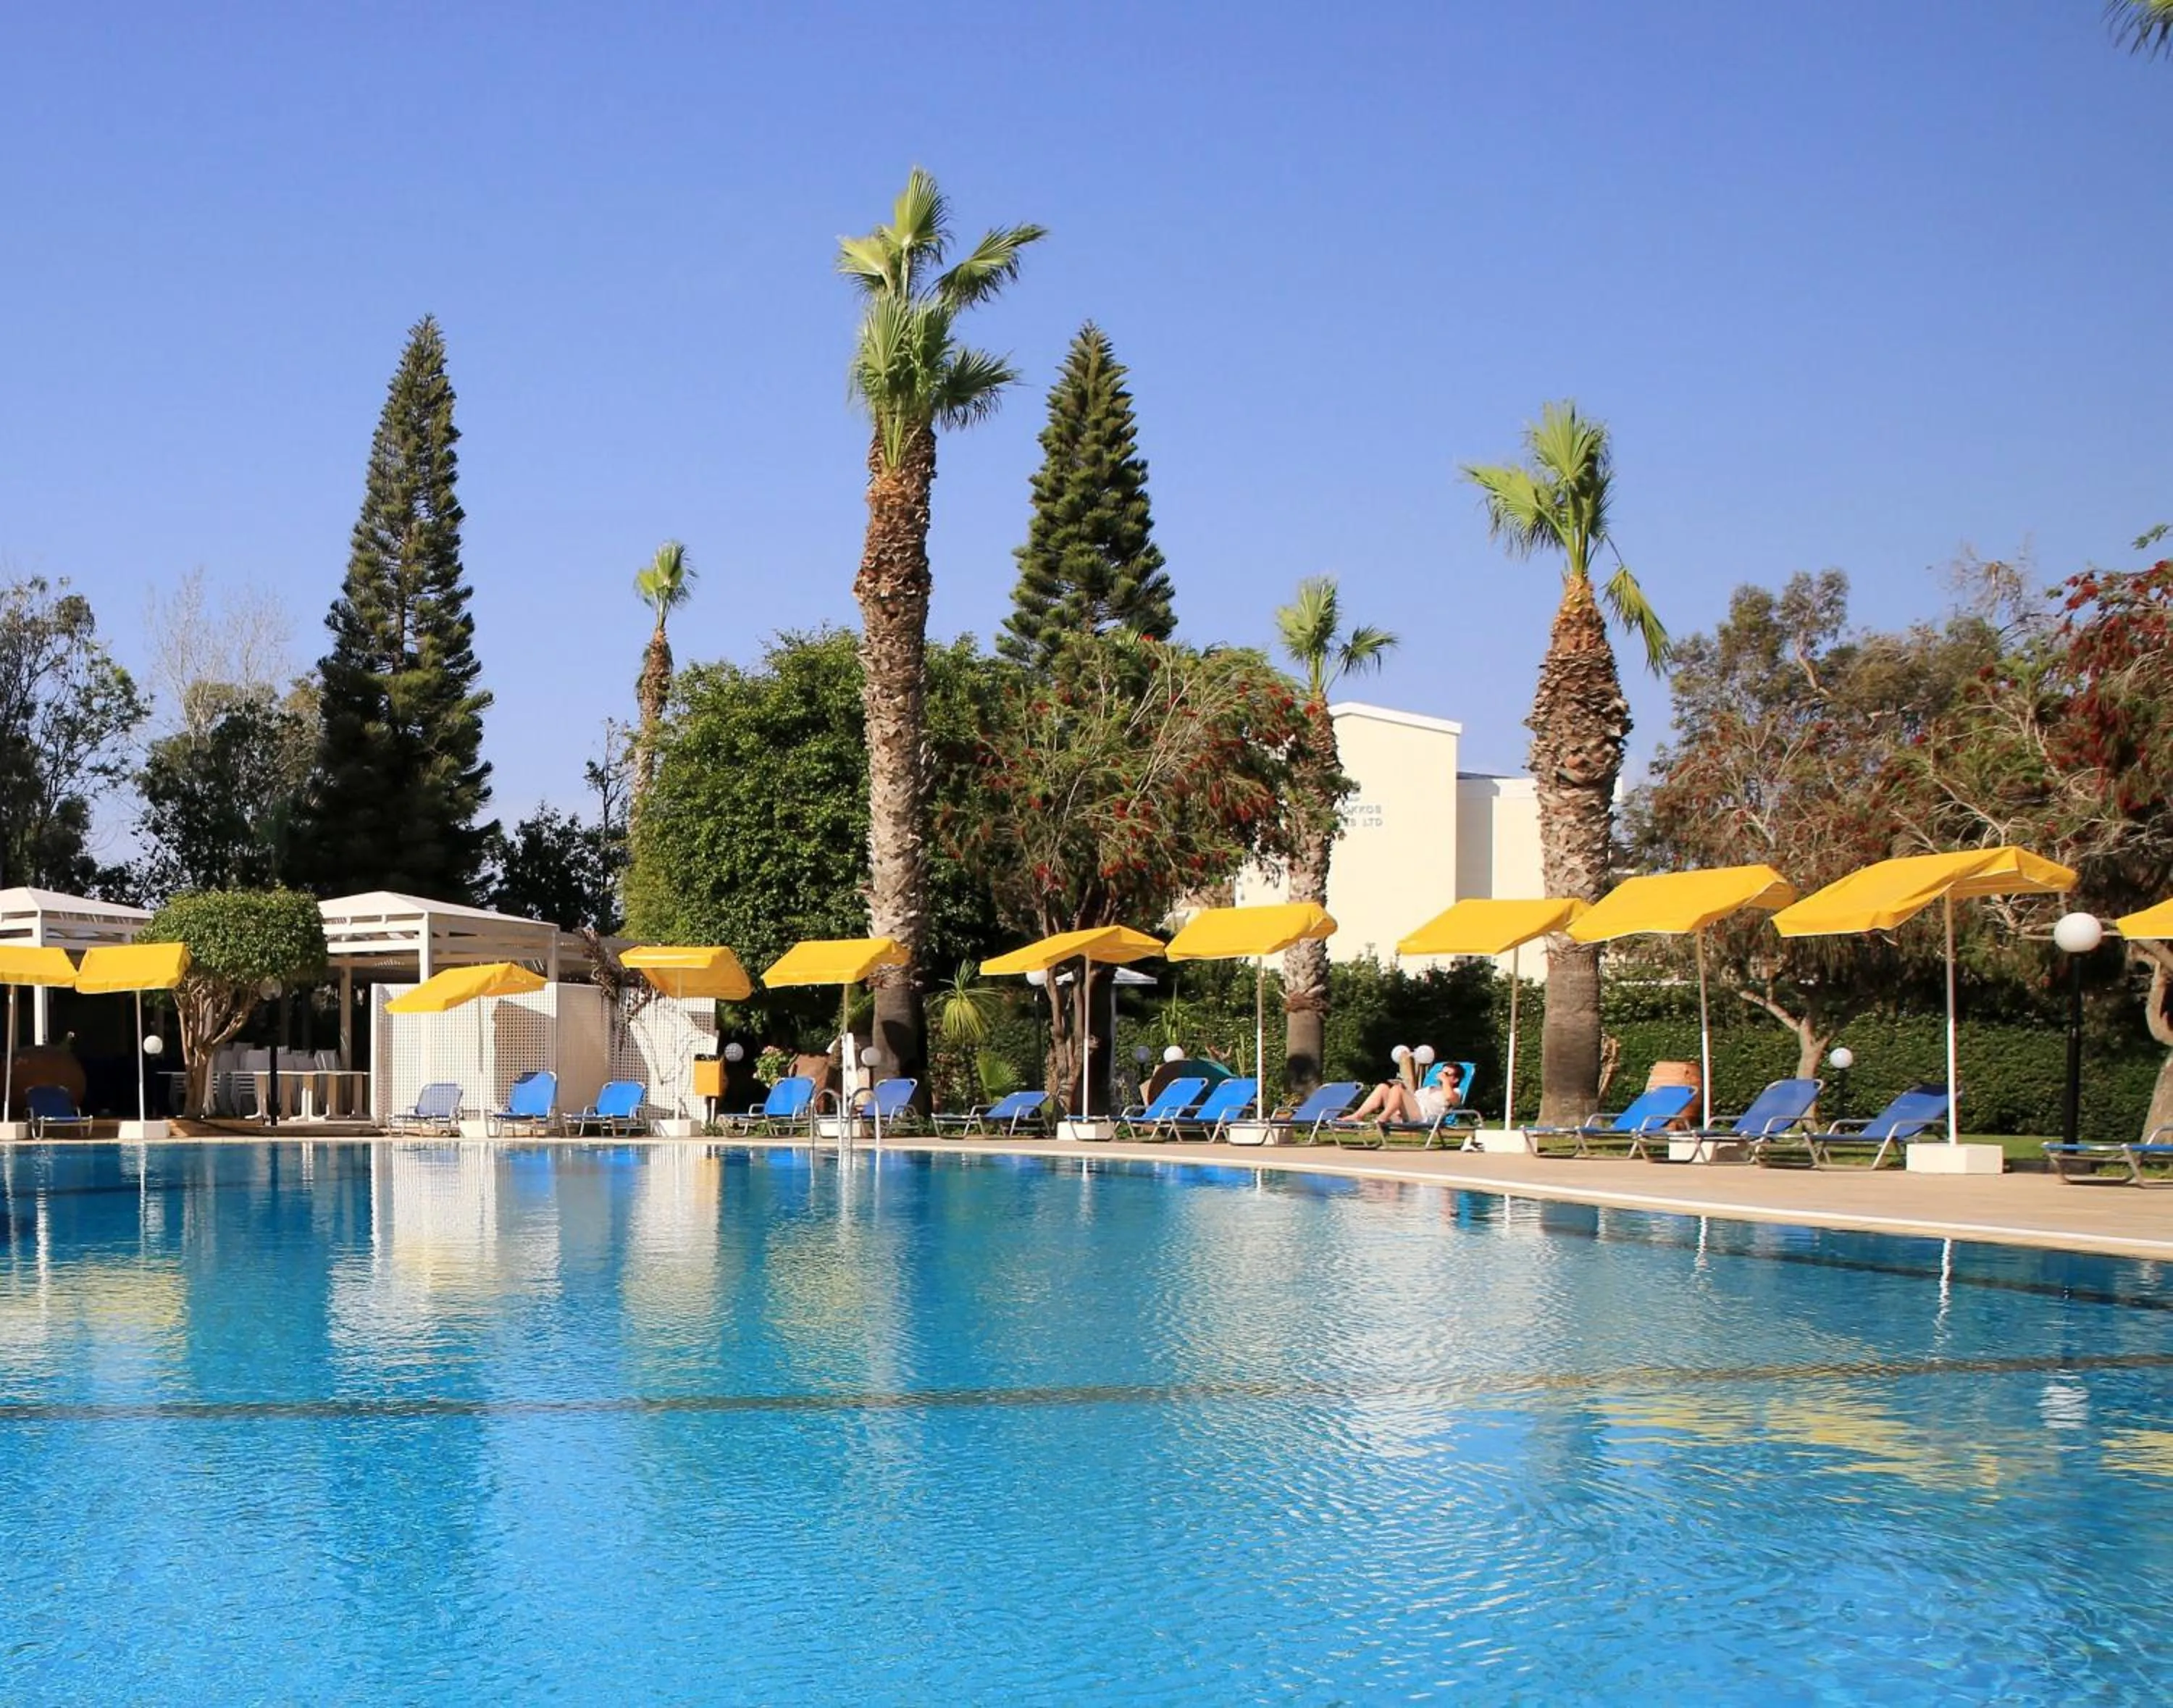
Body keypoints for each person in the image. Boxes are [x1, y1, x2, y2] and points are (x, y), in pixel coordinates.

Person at [1349, 1060, 1462, 1126]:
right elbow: (1413, 1099)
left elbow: (1451, 1098)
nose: (1442, 1075)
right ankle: (1357, 1116)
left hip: (1422, 1118)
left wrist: (1445, 1081)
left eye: (1447, 1074)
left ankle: (1382, 1118)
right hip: (1404, 1114)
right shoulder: (1429, 1088)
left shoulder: (1456, 1092)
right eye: (1442, 1072)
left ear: (1455, 1080)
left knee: (1397, 1089)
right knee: (1383, 1087)